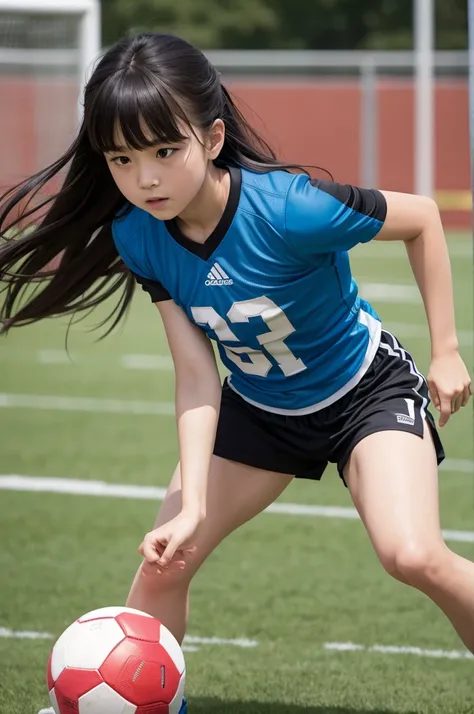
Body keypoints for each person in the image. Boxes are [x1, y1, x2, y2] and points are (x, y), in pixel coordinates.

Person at [1, 32, 472, 714]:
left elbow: (423, 220)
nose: (147, 178)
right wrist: (191, 505)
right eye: (123, 159)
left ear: (213, 137)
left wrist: (448, 349)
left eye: (166, 151)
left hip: (364, 393)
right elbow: (196, 377)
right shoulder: (139, 236)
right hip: (259, 408)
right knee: (165, 561)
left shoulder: (289, 207)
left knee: (412, 555)